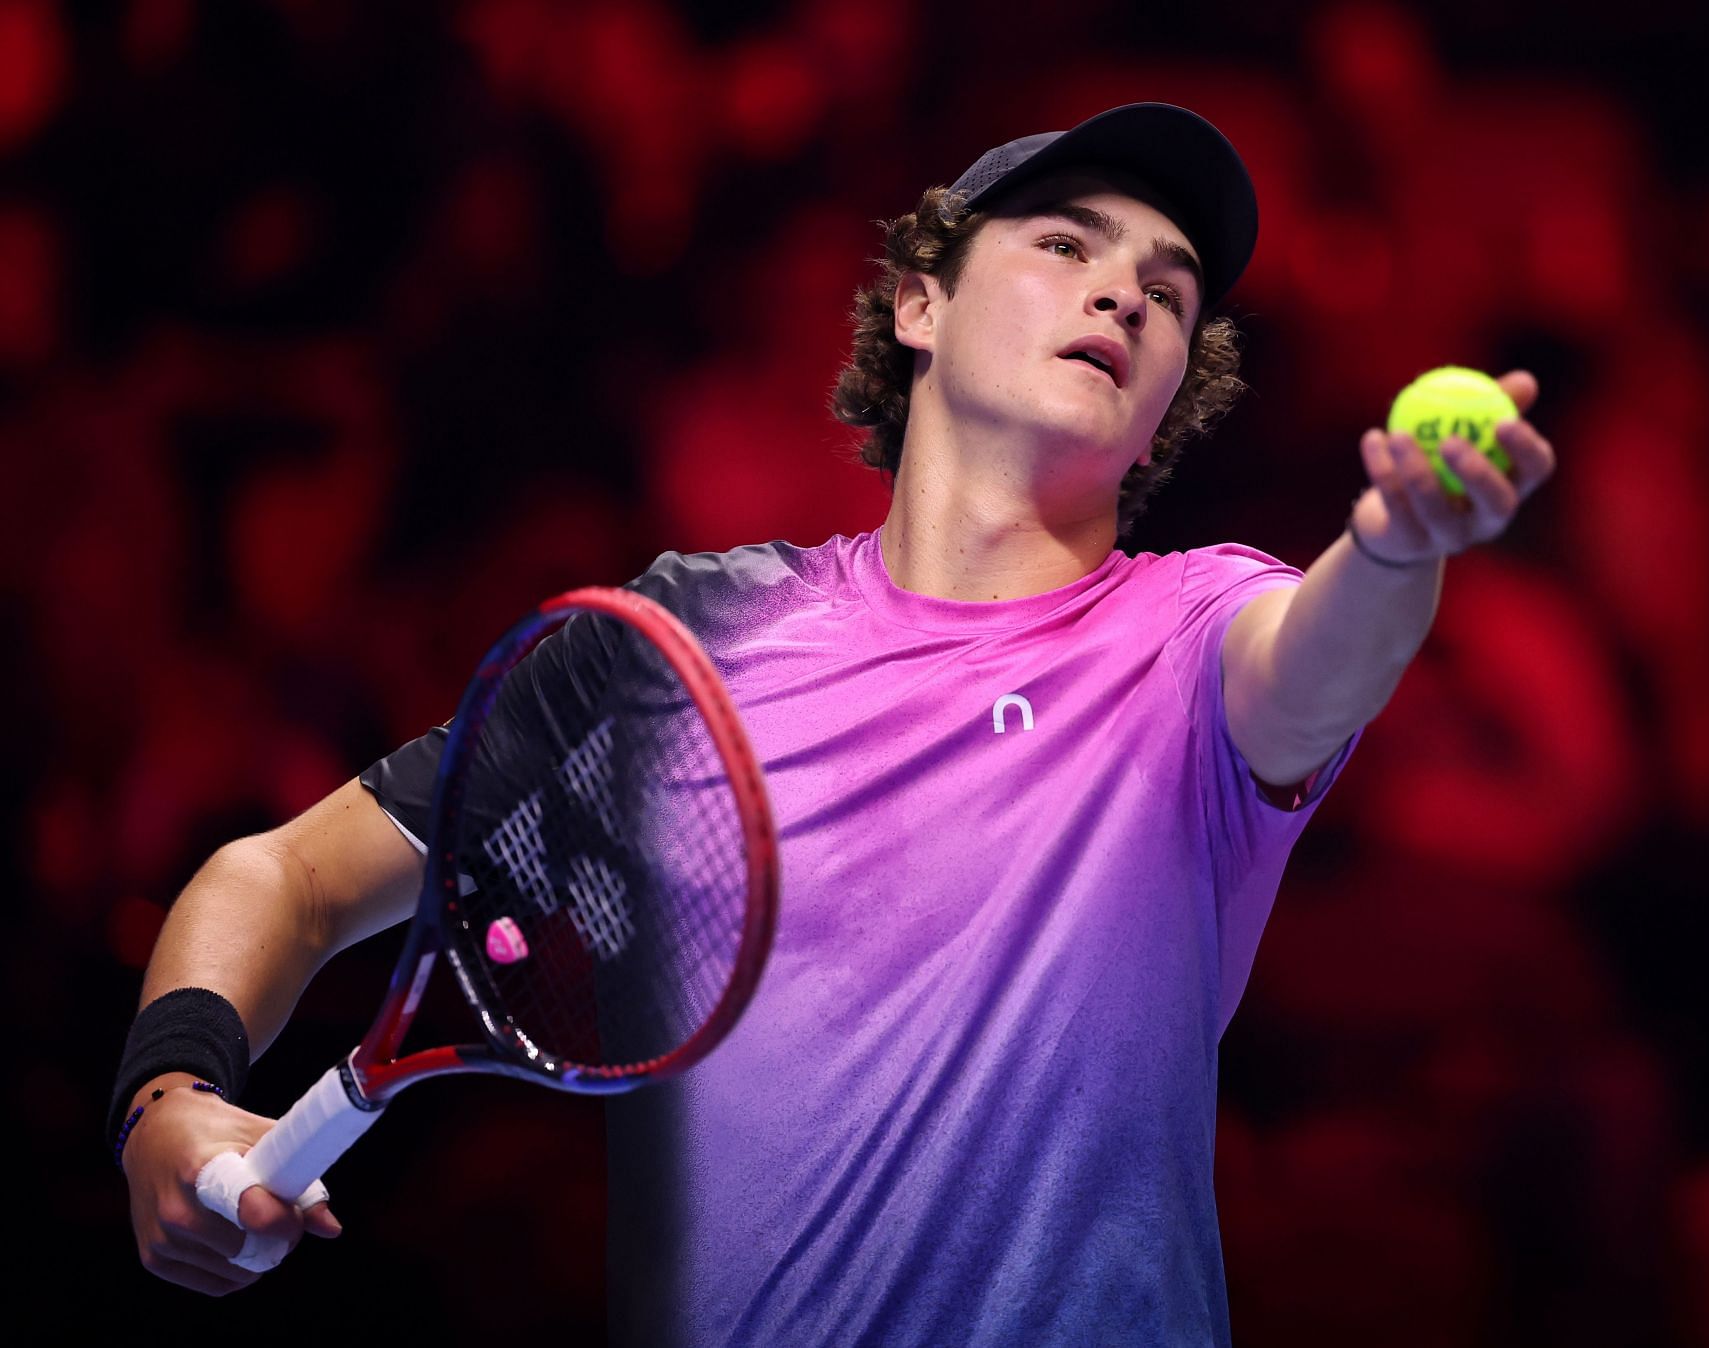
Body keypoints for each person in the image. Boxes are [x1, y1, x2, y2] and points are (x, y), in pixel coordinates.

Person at [112, 103, 1555, 1342]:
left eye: (1169, 294)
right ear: (919, 303)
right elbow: (283, 880)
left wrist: (1402, 542)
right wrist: (169, 1102)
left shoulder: (1188, 638)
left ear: (1173, 394)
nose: (1125, 294)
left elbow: (1317, 660)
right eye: (1066, 245)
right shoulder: (683, 648)